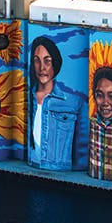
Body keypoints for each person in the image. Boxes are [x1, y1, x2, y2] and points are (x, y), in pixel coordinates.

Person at [27, 36, 81, 171]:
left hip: (59, 173)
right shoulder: (26, 97)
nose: (42, 68)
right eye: (36, 61)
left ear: (55, 64)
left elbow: (81, 150)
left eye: (47, 61)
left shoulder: (72, 102)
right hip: (30, 169)